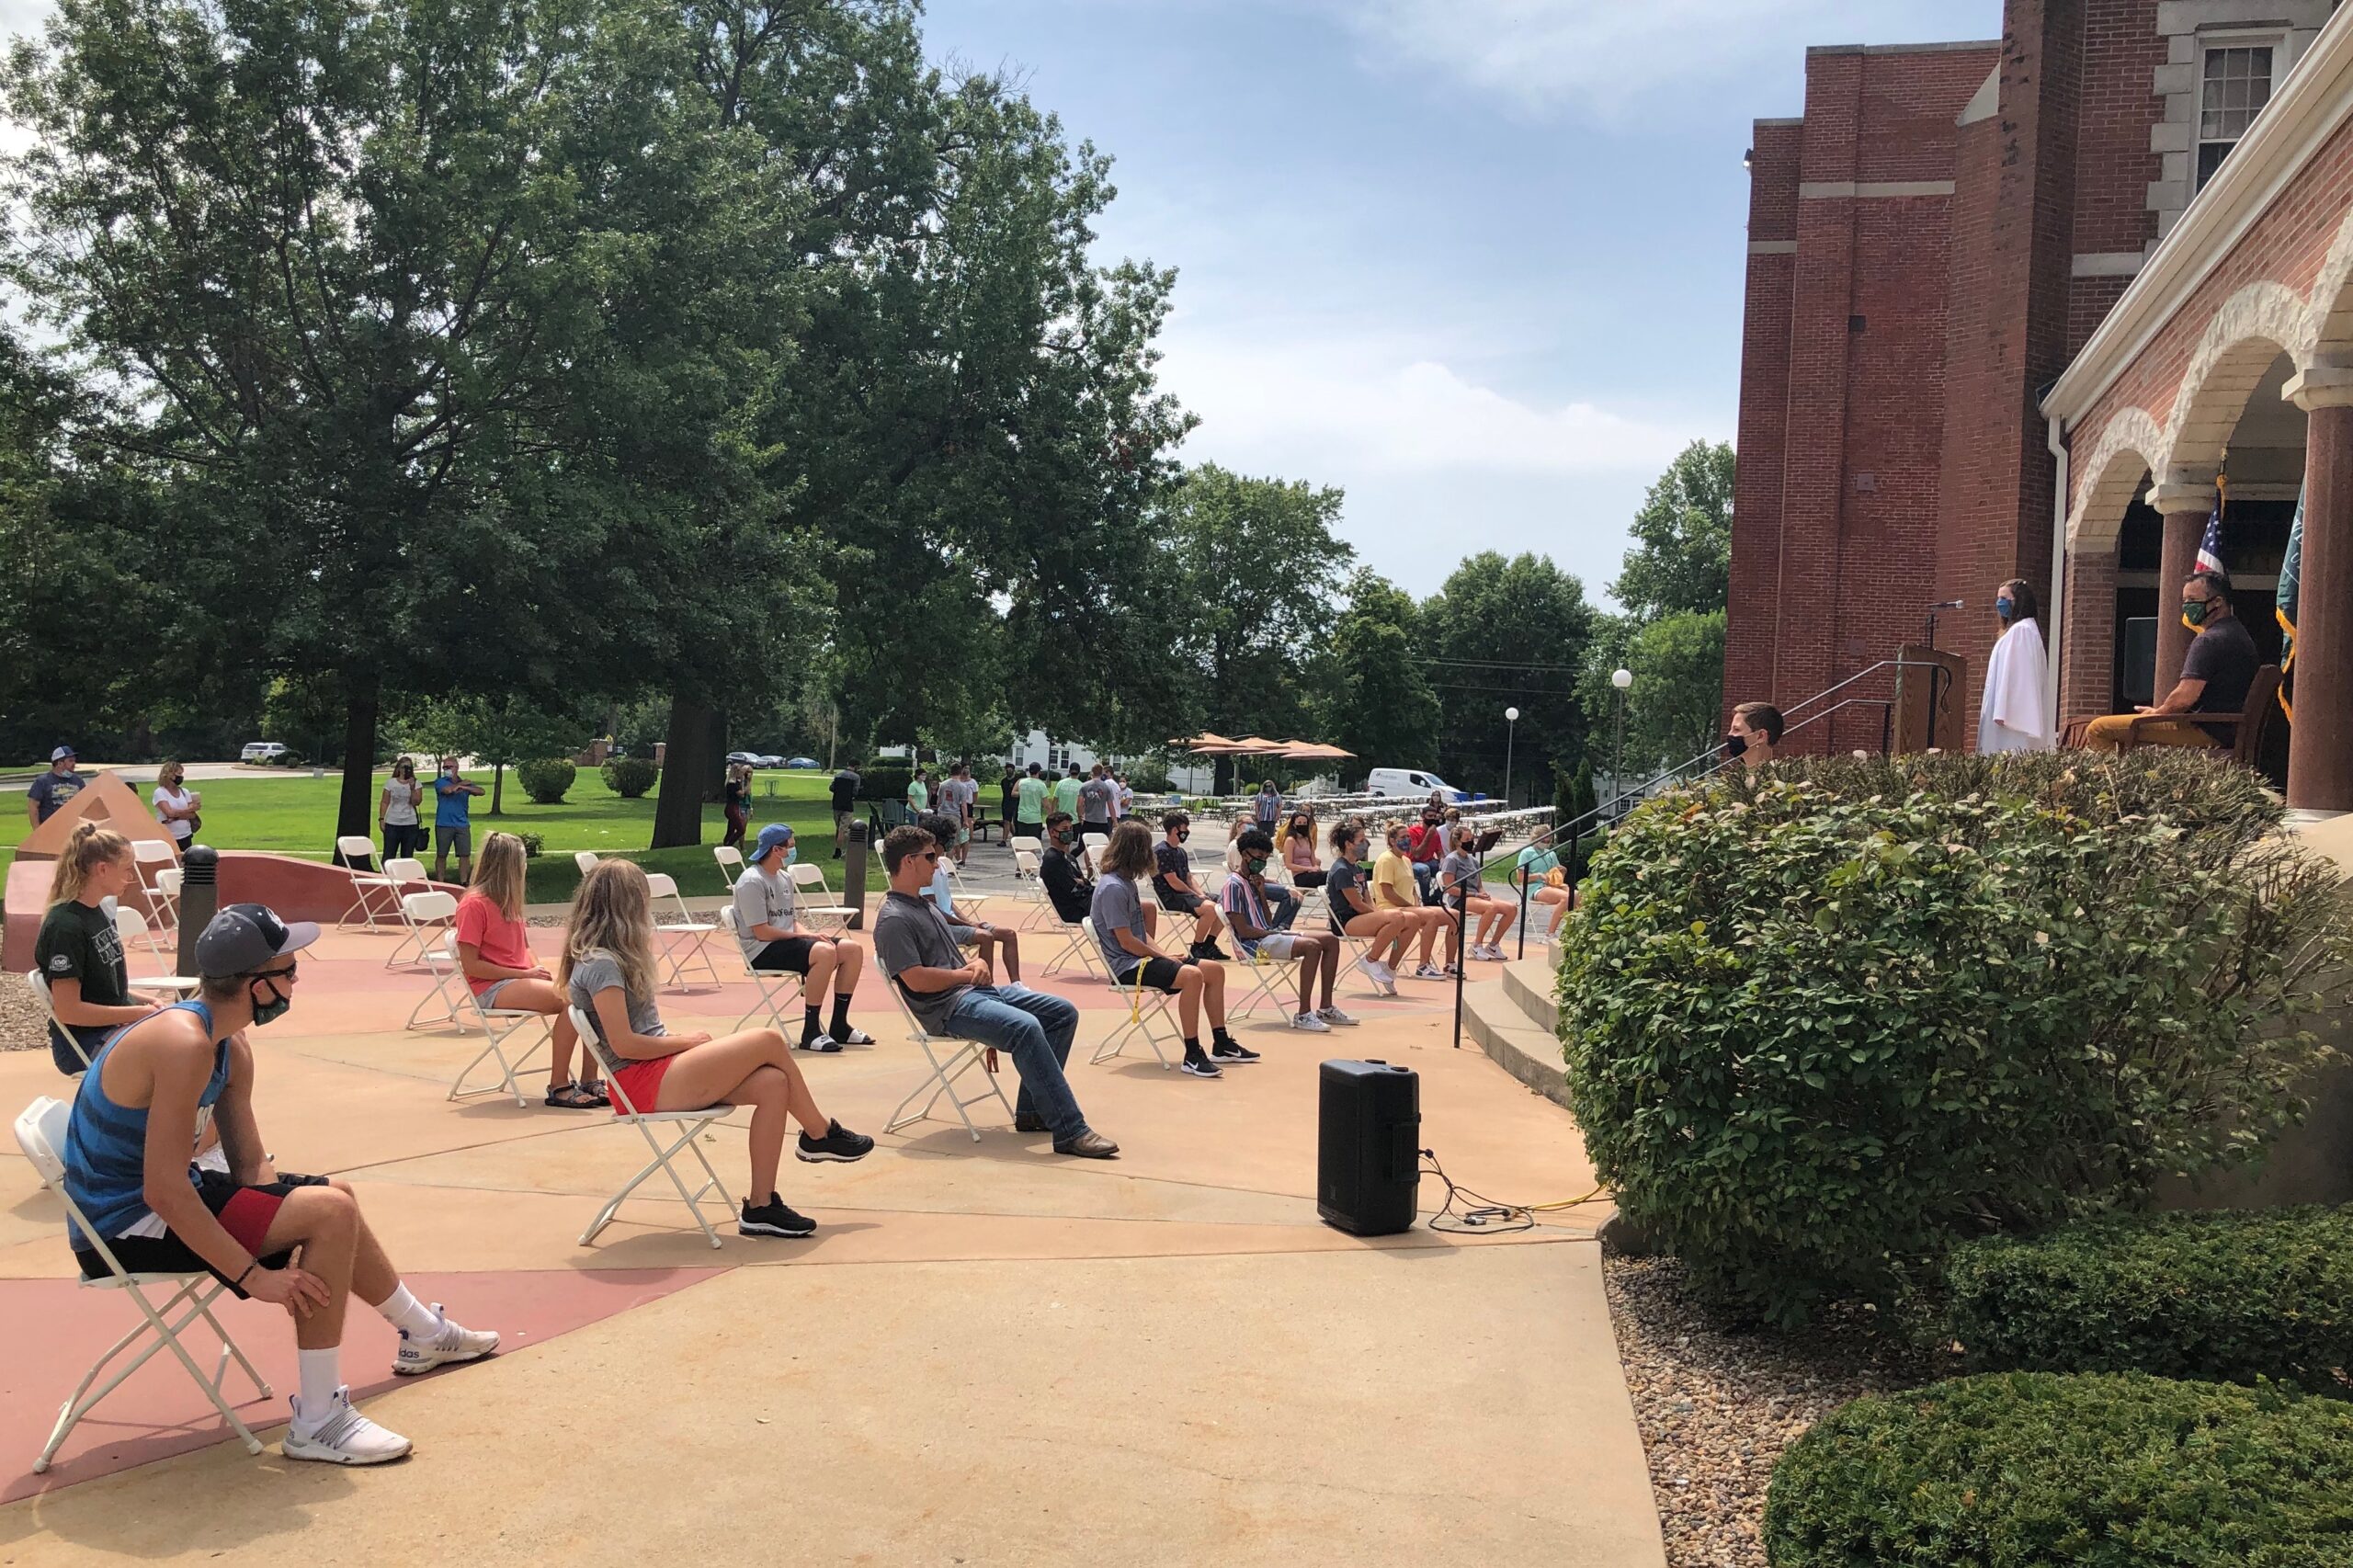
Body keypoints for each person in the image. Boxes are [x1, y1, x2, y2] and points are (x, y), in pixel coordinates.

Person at [63, 903, 499, 1464]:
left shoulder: (227, 1043)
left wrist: (282, 1225)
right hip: (120, 1228)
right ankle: (318, 1420)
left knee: (333, 1200)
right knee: (327, 1213)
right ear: (256, 984)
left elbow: (249, 1168)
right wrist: (254, 1275)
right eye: (289, 972)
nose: (297, 982)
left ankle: (423, 1334)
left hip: (165, 1201)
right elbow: (162, 1191)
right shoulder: (184, 1044)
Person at [563, 859, 874, 1240]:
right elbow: (624, 1044)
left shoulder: (611, 957)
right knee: (769, 1040)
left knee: (773, 1083)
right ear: (627, 905)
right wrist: (687, 1042)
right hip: (638, 1082)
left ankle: (762, 1207)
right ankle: (818, 1134)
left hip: (656, 1070)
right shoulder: (602, 964)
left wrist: (679, 1045)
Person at [871, 824, 1118, 1158]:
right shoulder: (894, 918)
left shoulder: (924, 907)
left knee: (1062, 1013)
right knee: (1025, 1027)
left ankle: (1032, 1112)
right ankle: (1070, 1130)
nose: (938, 863)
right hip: (947, 1008)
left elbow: (961, 942)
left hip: (973, 994)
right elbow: (915, 980)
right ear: (910, 861)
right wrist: (966, 974)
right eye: (931, 857)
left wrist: (982, 947)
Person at [1093, 822, 1247, 1074]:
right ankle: (1192, 1052)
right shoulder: (1113, 888)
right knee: (1192, 975)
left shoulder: (1126, 883)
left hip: (1139, 958)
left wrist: (1165, 955)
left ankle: (1221, 1043)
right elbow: (1126, 942)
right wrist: (1164, 958)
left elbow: (1140, 934)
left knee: (1214, 971)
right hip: (1126, 966)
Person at [457, 832, 598, 1108]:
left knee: (590, 996)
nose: (526, 866)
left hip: (517, 979)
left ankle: (590, 1078)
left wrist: (537, 969)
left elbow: (523, 947)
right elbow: (471, 965)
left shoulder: (508, 903)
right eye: (522, 860)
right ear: (507, 865)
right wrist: (524, 975)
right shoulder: (474, 905)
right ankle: (559, 1085)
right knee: (574, 999)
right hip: (492, 987)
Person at [36, 824, 167, 1075]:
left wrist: (143, 1001)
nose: (131, 878)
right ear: (103, 869)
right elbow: (69, 1010)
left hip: (111, 1029)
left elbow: (100, 988)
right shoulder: (65, 926)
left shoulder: (95, 913)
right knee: (176, 1056)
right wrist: (137, 1013)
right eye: (127, 870)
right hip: (83, 1043)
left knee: (195, 1044)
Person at [732, 824, 872, 1052]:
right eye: (791, 846)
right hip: (761, 949)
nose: (794, 850)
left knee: (851, 949)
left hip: (787, 942)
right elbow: (762, 932)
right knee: (824, 952)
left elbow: (791, 920)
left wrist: (812, 935)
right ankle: (811, 1032)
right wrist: (807, 939)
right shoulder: (751, 882)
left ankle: (839, 1026)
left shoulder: (784, 878)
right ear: (776, 850)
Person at [2084, 571, 2259, 752]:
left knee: (2098, 729)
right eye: (2184, 601)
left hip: (2204, 731)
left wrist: (2157, 714)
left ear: (2218, 602)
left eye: (2192, 600)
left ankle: (2122, 779)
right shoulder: (2238, 634)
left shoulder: (2209, 640)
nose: (2186, 607)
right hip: (2226, 730)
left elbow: (2185, 697)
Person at [1222, 829, 1352, 1032]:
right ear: (1244, 854)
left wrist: (1262, 893)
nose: (1261, 862)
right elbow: (1243, 930)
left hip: (1265, 936)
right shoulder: (1233, 884)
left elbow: (1267, 920)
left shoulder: (1254, 882)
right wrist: (1271, 933)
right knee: (1311, 946)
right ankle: (1303, 1013)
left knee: (1330, 940)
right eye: (1258, 857)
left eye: (1265, 858)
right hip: (1253, 946)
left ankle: (1326, 1007)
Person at [915, 812, 1025, 984]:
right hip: (940, 927)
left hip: (956, 922)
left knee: (1008, 935)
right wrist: (967, 925)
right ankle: (986, 986)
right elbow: (933, 909)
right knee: (985, 937)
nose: (953, 843)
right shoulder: (925, 869)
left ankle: (1017, 985)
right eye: (949, 839)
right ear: (935, 841)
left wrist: (969, 921)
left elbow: (948, 901)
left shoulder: (942, 864)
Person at [1326, 818, 1411, 997]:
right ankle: (1370, 960)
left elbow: (1366, 898)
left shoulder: (1358, 868)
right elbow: (1355, 903)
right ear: (1349, 844)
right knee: (1397, 917)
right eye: (1361, 840)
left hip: (1362, 916)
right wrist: (1383, 916)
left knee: (1412, 919)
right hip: (1346, 921)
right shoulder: (1341, 870)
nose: (1366, 844)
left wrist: (1379, 914)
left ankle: (1390, 967)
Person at [1978, 578, 2055, 754]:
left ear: (2019, 601)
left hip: (2010, 722)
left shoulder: (2022, 631)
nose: (2000, 603)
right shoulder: (2022, 630)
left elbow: (2020, 676)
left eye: (2004, 598)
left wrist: (2003, 711)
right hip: (2004, 716)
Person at [1374, 821, 1457, 977]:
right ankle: (1423, 966)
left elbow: (1412, 888)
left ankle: (1450, 963)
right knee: (1431, 917)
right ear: (1392, 841)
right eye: (1403, 837)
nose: (1408, 840)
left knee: (1455, 915)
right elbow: (1387, 892)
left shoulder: (1406, 860)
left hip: (1408, 906)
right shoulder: (1386, 859)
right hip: (1391, 908)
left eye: (1408, 836)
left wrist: (1416, 903)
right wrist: (1411, 906)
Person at [1149, 811, 1230, 960]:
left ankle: (1209, 944)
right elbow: (1173, 881)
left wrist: (1200, 893)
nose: (1187, 832)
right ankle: (1197, 947)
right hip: (1170, 897)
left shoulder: (1181, 852)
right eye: (1185, 829)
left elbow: (1188, 877)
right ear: (1175, 830)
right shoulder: (1161, 851)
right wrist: (1195, 895)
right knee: (1209, 908)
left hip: (1186, 894)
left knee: (1226, 903)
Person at [1440, 827, 1516, 960]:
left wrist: (1483, 893)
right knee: (1490, 908)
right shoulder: (1451, 860)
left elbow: (1479, 884)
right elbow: (1449, 888)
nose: (1471, 842)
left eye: (1472, 839)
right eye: (1467, 840)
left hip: (1476, 896)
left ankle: (1493, 945)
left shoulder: (1473, 860)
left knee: (1511, 908)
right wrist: (1475, 895)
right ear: (1458, 842)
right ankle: (1477, 945)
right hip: (1459, 898)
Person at [431, 756, 484, 883]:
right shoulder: (440, 782)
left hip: (462, 824)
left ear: (457, 767)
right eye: (445, 767)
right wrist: (460, 784)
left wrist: (465, 788)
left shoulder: (464, 784)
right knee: (442, 854)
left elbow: (481, 791)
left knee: (464, 854)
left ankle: (464, 881)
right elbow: (448, 790)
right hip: (444, 824)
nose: (447, 769)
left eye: (450, 767)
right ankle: (440, 881)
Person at [1037, 812, 1095, 926]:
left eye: (1070, 829)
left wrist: (1083, 882)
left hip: (1084, 902)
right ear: (1053, 832)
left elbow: (1082, 882)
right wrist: (1082, 883)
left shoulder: (1070, 858)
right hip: (1074, 909)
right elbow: (1073, 890)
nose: (1069, 832)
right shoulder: (1052, 859)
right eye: (1064, 829)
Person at [1515, 841, 1575, 941]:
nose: (1546, 843)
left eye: (1548, 841)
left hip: (1552, 884)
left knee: (1577, 895)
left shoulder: (1550, 853)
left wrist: (1561, 871)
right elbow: (1520, 878)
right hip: (1535, 887)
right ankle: (1550, 934)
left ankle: (1575, 930)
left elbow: (1557, 875)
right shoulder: (1527, 853)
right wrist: (1538, 876)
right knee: (1567, 898)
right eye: (1544, 841)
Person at [381, 757, 425, 864]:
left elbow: (416, 802)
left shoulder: (416, 783)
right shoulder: (391, 783)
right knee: (389, 854)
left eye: (408, 767)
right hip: (393, 822)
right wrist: (382, 819)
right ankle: (386, 877)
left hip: (410, 823)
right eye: (404, 767)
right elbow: (385, 802)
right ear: (399, 769)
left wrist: (412, 788)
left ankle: (405, 878)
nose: (406, 770)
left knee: (407, 855)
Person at [28, 745, 85, 827]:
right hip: (51, 830)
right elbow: (33, 807)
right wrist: (37, 831)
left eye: (74, 761)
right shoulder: (42, 782)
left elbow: (86, 803)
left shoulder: (78, 780)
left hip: (74, 830)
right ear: (59, 763)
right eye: (70, 761)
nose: (74, 764)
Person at [152, 760, 199, 857]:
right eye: (179, 774)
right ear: (170, 775)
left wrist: (176, 817)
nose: (181, 777)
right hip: (168, 836)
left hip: (185, 834)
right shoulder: (160, 792)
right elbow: (169, 813)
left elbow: (192, 814)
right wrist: (187, 810)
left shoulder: (184, 792)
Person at [1726, 702, 1784, 769]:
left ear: (1761, 736)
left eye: (1736, 729)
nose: (1730, 734)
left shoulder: (1782, 778)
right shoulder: (1741, 777)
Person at [941, 763, 976, 866]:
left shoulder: (943, 784)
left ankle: (940, 865)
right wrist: (965, 820)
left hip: (942, 813)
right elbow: (964, 805)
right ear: (960, 772)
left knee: (941, 840)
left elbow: (939, 801)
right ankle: (949, 865)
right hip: (954, 814)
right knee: (952, 842)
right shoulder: (962, 786)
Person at [1281, 810, 1325, 889]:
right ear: (1294, 824)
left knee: (1335, 875)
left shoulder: (1308, 840)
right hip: (1300, 876)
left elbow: (1313, 861)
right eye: (1299, 823)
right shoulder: (1290, 841)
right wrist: (1308, 868)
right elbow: (1289, 865)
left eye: (1305, 823)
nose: (1302, 825)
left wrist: (1316, 867)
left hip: (1312, 874)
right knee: (1333, 877)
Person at [1079, 762, 1119, 842]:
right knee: (1101, 845)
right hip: (1102, 821)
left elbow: (1079, 804)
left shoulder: (1084, 786)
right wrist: (1114, 820)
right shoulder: (1106, 787)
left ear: (1091, 772)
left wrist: (1080, 816)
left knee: (1084, 846)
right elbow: (1111, 806)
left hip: (1088, 820)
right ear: (1102, 773)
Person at [829, 762, 861, 859]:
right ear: (856, 766)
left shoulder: (838, 775)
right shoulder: (856, 777)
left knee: (838, 828)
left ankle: (837, 848)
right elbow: (855, 792)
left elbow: (831, 788)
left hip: (836, 804)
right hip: (847, 805)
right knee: (843, 829)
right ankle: (838, 851)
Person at [1014, 763, 1050, 843]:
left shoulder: (1022, 783)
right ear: (1039, 772)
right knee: (1032, 843)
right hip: (1034, 818)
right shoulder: (1041, 785)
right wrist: (1051, 815)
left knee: (1022, 842)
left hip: (1022, 816)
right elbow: (1046, 804)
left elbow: (1014, 793)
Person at [722, 762, 752, 850]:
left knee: (731, 830)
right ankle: (728, 845)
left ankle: (726, 844)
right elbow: (741, 794)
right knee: (741, 829)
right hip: (732, 808)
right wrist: (748, 783)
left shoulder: (736, 782)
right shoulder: (732, 784)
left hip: (734, 807)